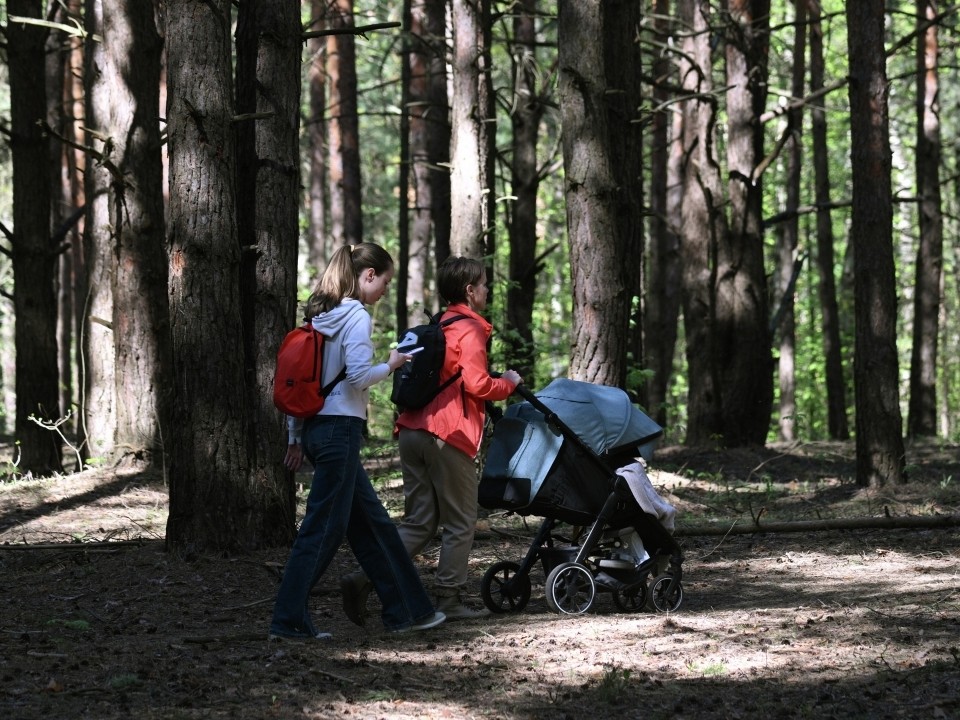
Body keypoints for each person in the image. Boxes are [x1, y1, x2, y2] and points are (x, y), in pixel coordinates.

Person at [269, 243, 445, 640]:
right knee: (323, 528)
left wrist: (296, 437)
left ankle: (407, 610)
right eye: (384, 281)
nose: (384, 290)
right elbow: (358, 377)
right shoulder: (355, 317)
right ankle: (288, 619)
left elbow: (301, 381)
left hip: (318, 429)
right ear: (367, 276)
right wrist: (394, 363)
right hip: (339, 431)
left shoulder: (318, 317)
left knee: (372, 526)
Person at [341, 256, 521, 623]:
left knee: (419, 522)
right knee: (460, 520)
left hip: (411, 430)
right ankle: (449, 599)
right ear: (470, 290)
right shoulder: (469, 329)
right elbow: (477, 384)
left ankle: (362, 579)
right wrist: (510, 384)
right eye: (484, 284)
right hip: (446, 435)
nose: (488, 289)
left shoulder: (439, 323)